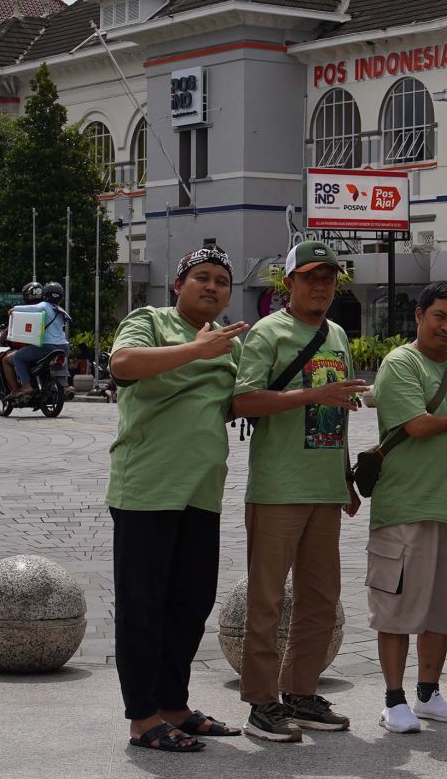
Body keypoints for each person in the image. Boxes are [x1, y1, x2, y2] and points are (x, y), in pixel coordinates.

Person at [105, 246, 249, 752]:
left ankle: (173, 704)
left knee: (191, 604)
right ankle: (142, 717)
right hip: (147, 487)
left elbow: (239, 401)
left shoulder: (231, 344)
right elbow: (122, 364)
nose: (212, 286)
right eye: (201, 277)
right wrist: (196, 349)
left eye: (222, 281)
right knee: (143, 606)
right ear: (179, 285)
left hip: (202, 492)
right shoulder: (150, 321)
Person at [229, 239, 368, 743]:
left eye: (329, 278)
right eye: (311, 277)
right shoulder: (269, 332)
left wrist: (345, 477)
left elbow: (338, 412)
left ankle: (301, 693)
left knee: (321, 599)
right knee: (266, 600)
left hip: (324, 487)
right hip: (278, 488)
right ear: (288, 283)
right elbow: (243, 401)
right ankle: (261, 703)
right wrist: (312, 394)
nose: (321, 286)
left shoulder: (337, 334)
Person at [367, 281, 447, 733]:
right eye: (440, 317)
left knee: (441, 609)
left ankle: (428, 694)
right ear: (419, 316)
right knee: (396, 609)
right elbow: (417, 425)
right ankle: (393, 700)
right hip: (405, 507)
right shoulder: (401, 362)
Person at [8, 283, 68, 392]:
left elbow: (32, 308)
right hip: (64, 347)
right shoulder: (60, 310)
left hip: (47, 347)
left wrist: (14, 309)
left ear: (46, 294)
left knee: (17, 357)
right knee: (60, 361)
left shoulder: (44, 305)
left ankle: (26, 386)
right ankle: (64, 387)